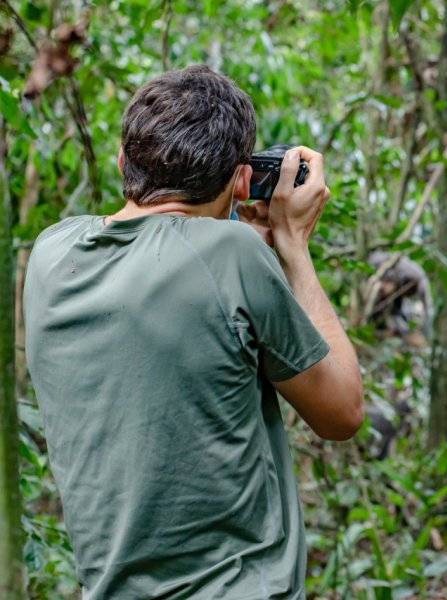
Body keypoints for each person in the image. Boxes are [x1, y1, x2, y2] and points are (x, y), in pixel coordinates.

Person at [24, 65, 364, 598]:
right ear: (242, 180)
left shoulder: (51, 253)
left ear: (123, 162)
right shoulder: (233, 256)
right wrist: (292, 247)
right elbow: (342, 413)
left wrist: (228, 230)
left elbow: (159, 260)